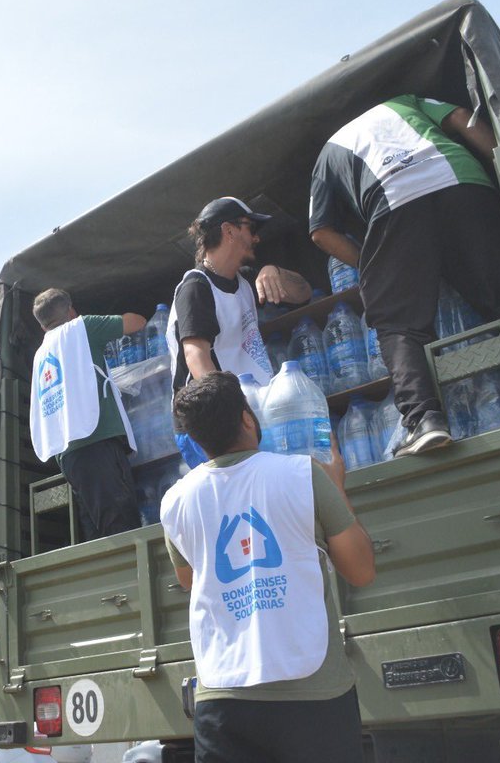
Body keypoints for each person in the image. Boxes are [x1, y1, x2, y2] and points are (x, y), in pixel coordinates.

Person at [309, 94, 500, 457]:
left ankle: (425, 422)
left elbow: (321, 232)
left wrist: (375, 266)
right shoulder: (406, 101)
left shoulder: (328, 153)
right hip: (464, 184)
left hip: (395, 199)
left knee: (398, 324)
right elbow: (462, 119)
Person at [160, 372, 375, 763]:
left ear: (195, 439)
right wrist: (337, 488)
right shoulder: (302, 473)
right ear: (247, 419)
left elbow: (191, 579)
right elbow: (360, 570)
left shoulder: (175, 502)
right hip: (313, 695)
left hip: (222, 702)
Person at [167, 197, 312, 466]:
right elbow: (196, 357)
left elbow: (303, 293)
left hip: (247, 415)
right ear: (229, 231)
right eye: (251, 229)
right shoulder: (195, 287)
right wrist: (235, 416)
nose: (256, 239)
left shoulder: (246, 280)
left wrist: (274, 271)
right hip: (212, 424)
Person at [29, 288, 144, 540]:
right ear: (71, 311)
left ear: (42, 326)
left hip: (68, 456)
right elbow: (136, 322)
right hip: (97, 442)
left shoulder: (41, 354)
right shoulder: (82, 327)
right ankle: (130, 574)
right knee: (120, 523)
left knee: (96, 526)